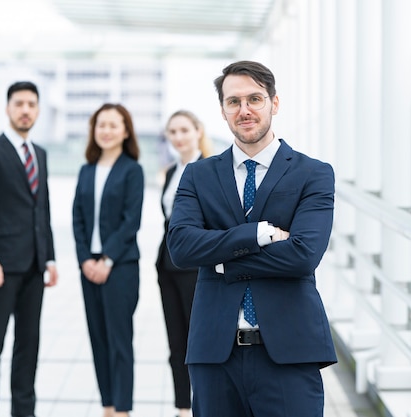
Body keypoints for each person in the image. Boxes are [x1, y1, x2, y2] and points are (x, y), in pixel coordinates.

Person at [167, 60, 337, 417]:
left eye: (255, 99)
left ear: (274, 103)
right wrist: (258, 234)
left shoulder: (313, 174)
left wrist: (219, 257)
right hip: (215, 355)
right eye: (234, 102)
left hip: (291, 354)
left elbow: (303, 255)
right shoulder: (197, 175)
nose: (244, 110)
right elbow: (181, 248)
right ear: (223, 110)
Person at [0, 81, 59, 417]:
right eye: (19, 103)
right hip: (2, 266)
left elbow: (43, 209)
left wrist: (49, 257)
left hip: (35, 265)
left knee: (28, 344)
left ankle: (24, 412)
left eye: (31, 105)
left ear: (37, 111)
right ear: (8, 109)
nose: (25, 110)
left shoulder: (40, 154)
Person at [72, 103, 144, 417]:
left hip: (121, 267)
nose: (107, 130)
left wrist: (107, 260)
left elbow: (132, 221)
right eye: (101, 124)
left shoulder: (132, 169)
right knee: (98, 340)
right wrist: (85, 260)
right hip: (89, 268)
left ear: (125, 131)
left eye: (114, 125)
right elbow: (77, 218)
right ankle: (108, 406)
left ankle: (123, 409)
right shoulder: (87, 170)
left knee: (119, 341)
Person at [156, 110, 213, 417]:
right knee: (176, 342)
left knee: (199, 341)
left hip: (196, 269)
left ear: (198, 131)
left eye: (183, 130)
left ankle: (205, 405)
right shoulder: (169, 171)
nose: (178, 137)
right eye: (172, 132)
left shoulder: (209, 169)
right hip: (167, 267)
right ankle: (182, 408)